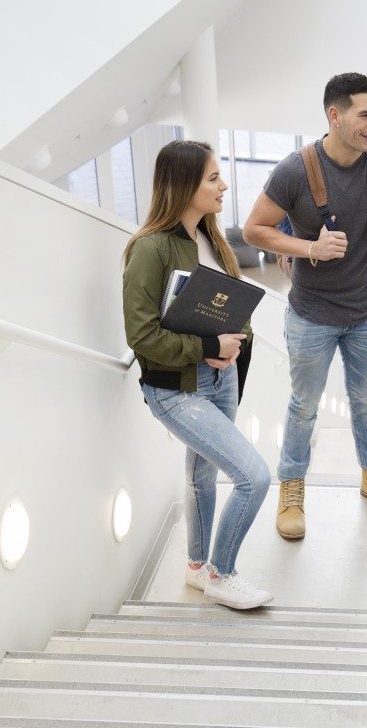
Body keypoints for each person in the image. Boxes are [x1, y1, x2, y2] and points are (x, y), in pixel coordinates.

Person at [242, 72, 367, 540]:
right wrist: (309, 249)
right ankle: (292, 488)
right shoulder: (294, 170)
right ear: (335, 115)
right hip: (311, 316)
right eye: (365, 115)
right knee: (304, 406)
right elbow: (254, 229)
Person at [123, 139, 273, 610]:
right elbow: (141, 336)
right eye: (212, 177)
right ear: (184, 184)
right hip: (176, 389)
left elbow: (237, 306)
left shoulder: (212, 238)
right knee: (254, 476)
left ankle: (194, 567)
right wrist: (209, 346)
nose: (223, 184)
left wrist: (234, 345)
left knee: (201, 474)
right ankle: (222, 573)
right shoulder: (149, 250)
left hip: (220, 379)